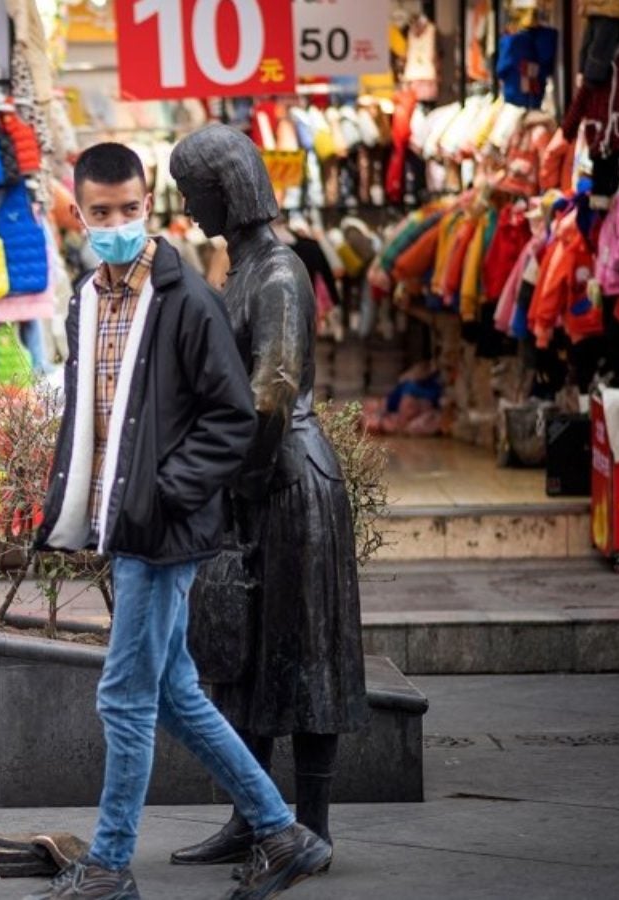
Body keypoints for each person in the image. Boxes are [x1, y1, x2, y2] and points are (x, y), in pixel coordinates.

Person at [28, 142, 331, 900]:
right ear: (79, 212)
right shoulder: (86, 297)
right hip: (126, 523)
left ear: (150, 207)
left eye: (131, 210)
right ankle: (283, 831)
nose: (118, 223)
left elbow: (237, 415)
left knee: (123, 695)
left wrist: (165, 491)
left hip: (165, 529)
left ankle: (108, 866)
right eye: (102, 213)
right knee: (173, 691)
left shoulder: (187, 299)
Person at [167, 125, 368, 875]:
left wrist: (227, 479)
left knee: (307, 656)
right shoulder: (242, 267)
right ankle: (252, 815)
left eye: (193, 194)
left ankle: (308, 826)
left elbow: (272, 393)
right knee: (247, 657)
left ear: (228, 189)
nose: (187, 210)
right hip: (257, 481)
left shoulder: (279, 274)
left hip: (289, 484)